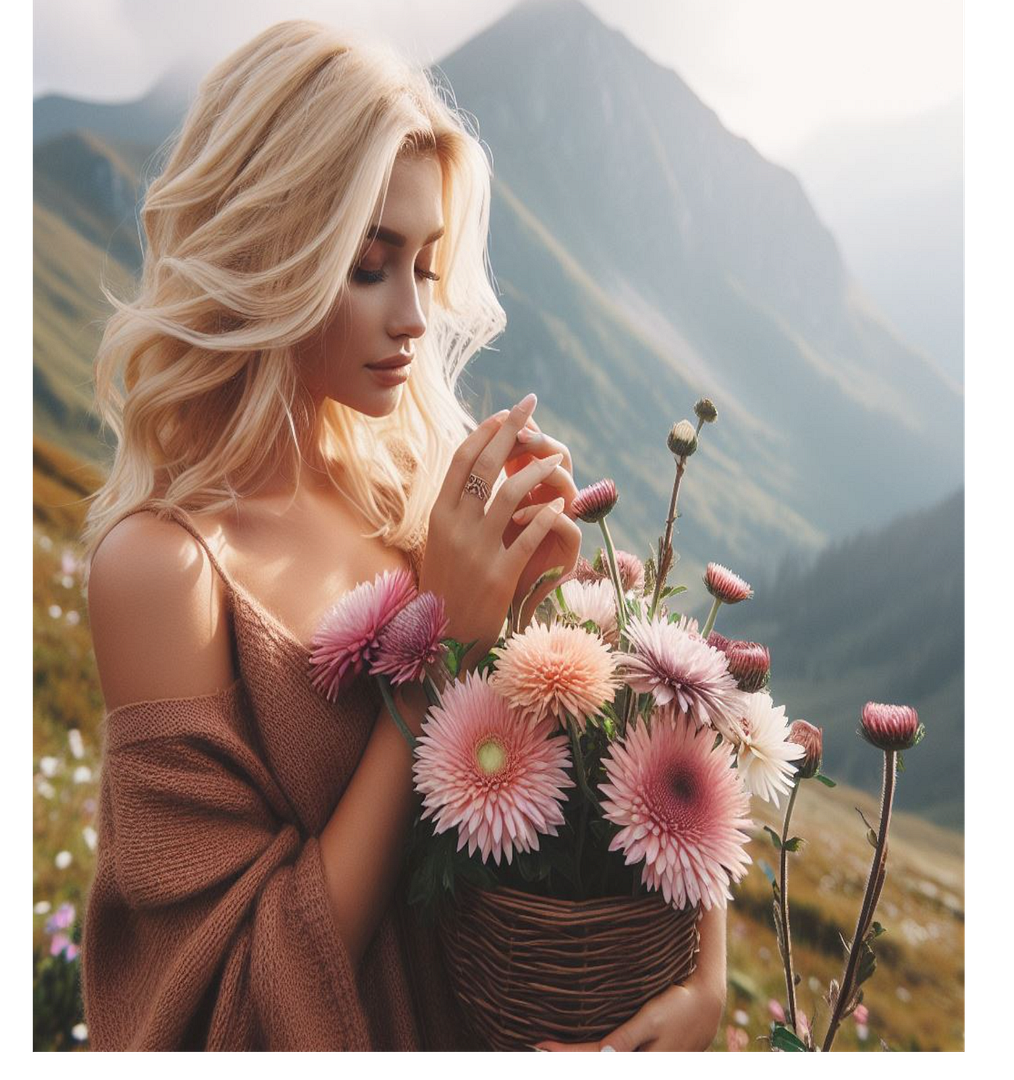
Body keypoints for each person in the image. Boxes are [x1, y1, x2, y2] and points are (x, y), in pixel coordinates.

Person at [78, 19, 725, 1054]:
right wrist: (435, 655)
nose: (416, 319)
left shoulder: (420, 487)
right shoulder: (166, 572)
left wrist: (708, 973)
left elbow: (633, 763)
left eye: (425, 267)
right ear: (267, 251)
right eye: (368, 265)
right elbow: (234, 1004)